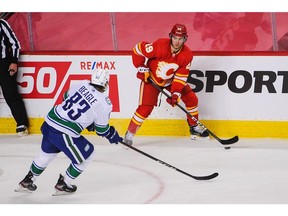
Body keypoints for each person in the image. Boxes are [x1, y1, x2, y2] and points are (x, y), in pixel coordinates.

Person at [16, 69, 123, 195]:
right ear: (105, 84)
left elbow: (66, 97)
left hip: (49, 122)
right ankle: (64, 183)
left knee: (46, 154)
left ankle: (28, 180)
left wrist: (87, 120)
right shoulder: (104, 103)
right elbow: (101, 130)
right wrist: (112, 134)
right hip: (63, 132)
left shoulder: (82, 84)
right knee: (87, 155)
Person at [124, 23, 209, 146]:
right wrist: (141, 67)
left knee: (191, 99)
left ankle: (194, 127)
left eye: (180, 39)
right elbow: (137, 49)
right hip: (152, 79)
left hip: (171, 81)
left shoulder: (187, 55)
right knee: (145, 108)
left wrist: (175, 93)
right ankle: (130, 133)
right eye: (175, 38)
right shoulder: (159, 46)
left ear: (185, 39)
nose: (177, 42)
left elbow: (180, 77)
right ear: (171, 36)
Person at [0, 18, 29, 136]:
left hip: (3, 64)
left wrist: (14, 62)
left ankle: (22, 124)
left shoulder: (2, 24)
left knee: (10, 93)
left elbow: (15, 43)